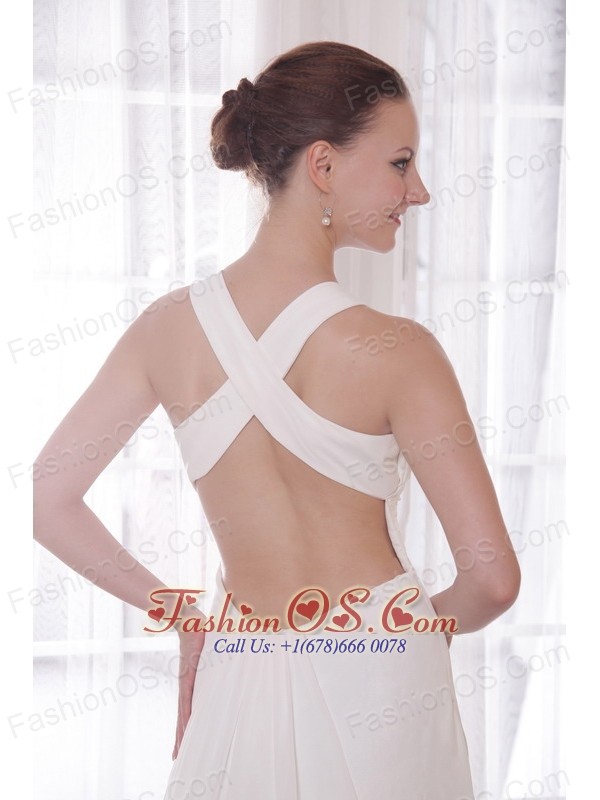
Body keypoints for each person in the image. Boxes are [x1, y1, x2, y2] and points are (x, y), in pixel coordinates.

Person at [33, 40, 521, 800]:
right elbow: (491, 583)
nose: (419, 191)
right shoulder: (400, 352)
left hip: (239, 665)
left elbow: (47, 500)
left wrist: (186, 619)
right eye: (401, 163)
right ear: (322, 165)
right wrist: (398, 639)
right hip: (383, 686)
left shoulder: (165, 330)